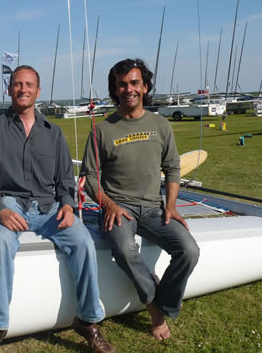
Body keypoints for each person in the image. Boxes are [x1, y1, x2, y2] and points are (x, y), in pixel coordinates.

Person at [0, 65, 114, 353]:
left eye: (29, 85)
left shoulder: (54, 133)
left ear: (38, 91)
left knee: (84, 242)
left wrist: (68, 205)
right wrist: (0, 210)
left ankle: (88, 321)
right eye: (17, 84)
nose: (22, 89)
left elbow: (65, 179)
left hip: (50, 207)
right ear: (8, 89)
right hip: (10, 204)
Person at [80, 58, 200, 341]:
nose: (128, 89)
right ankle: (155, 311)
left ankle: (165, 301)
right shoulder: (103, 129)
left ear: (145, 87)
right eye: (122, 84)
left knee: (189, 251)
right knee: (123, 249)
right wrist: (109, 205)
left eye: (134, 83)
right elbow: (90, 176)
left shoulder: (160, 124)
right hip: (118, 208)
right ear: (115, 90)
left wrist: (170, 206)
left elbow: (172, 168)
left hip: (154, 208)